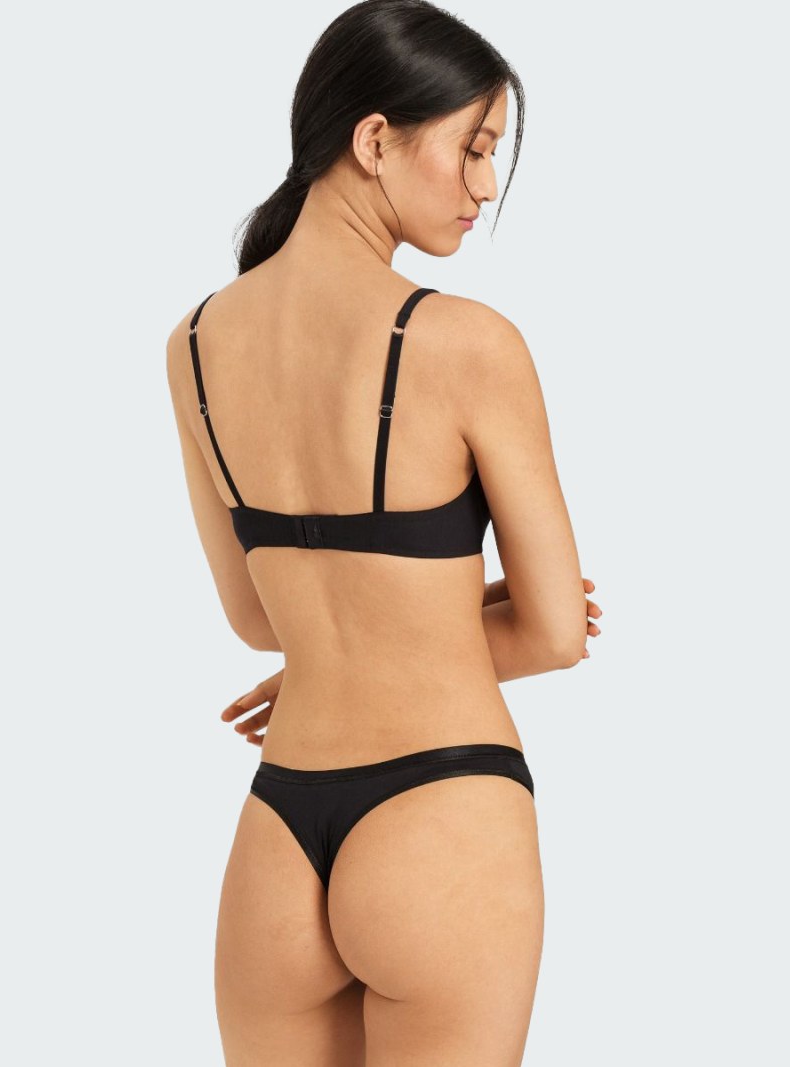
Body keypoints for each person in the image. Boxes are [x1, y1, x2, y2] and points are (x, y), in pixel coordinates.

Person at [164, 2, 601, 1062]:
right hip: (440, 806)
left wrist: (353, 644)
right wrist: (440, 624)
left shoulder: (197, 343)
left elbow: (259, 618)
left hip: (277, 836)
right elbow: (555, 631)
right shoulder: (465, 343)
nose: (485, 187)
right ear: (374, 140)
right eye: (475, 148)